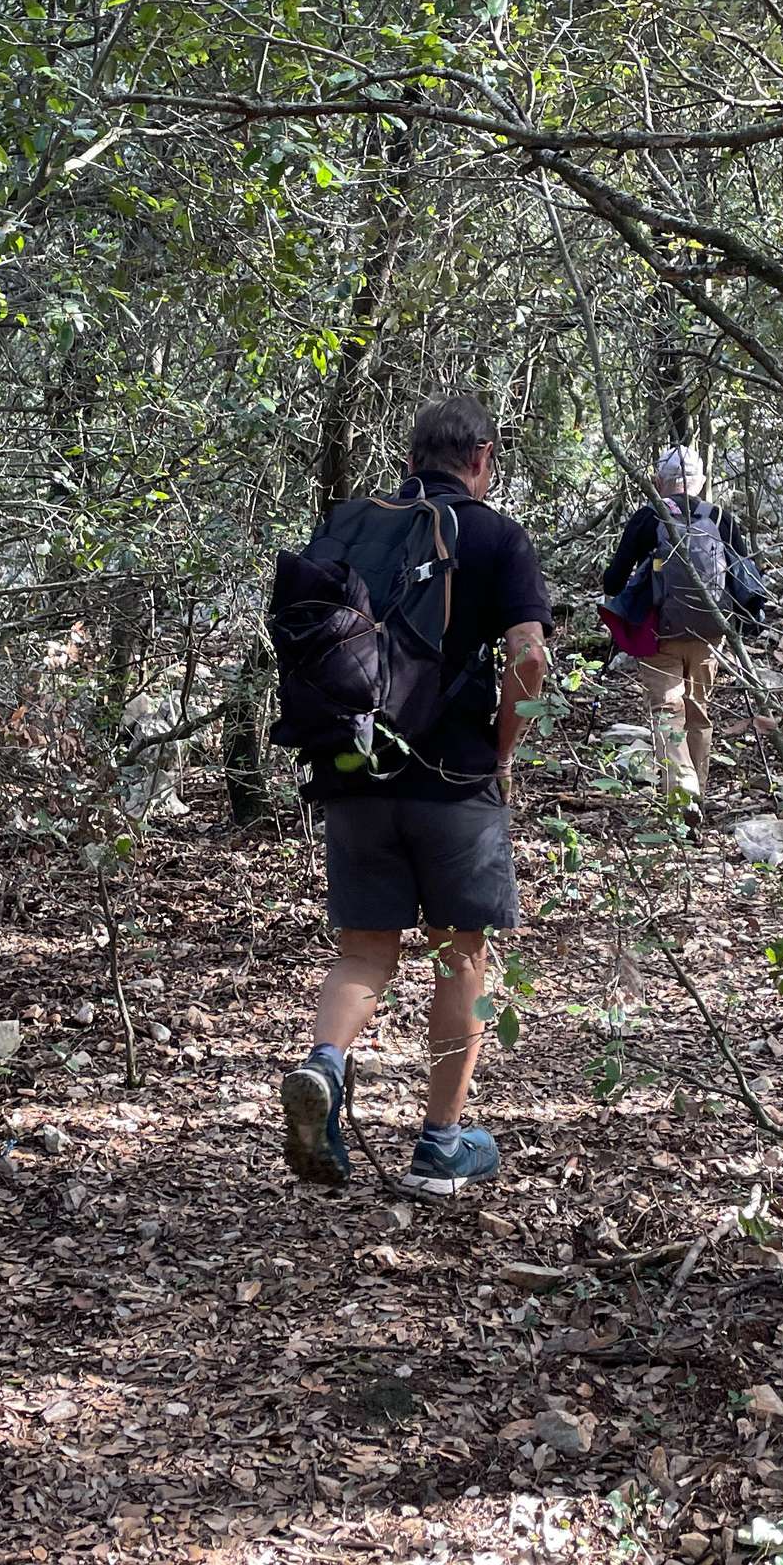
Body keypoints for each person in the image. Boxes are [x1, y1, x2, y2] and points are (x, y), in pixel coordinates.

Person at [279, 396, 551, 1198]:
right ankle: (440, 1144)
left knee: (364, 949)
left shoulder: (355, 525)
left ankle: (323, 1063)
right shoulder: (497, 536)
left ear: (410, 459)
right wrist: (502, 751)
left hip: (354, 768)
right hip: (454, 779)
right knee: (461, 953)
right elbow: (529, 656)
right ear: (482, 457)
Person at [602, 445, 758, 812]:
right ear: (700, 481)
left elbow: (613, 580)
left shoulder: (647, 518)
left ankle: (683, 794)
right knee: (697, 710)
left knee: (666, 711)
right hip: (710, 632)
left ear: (659, 481)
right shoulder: (720, 518)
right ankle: (695, 792)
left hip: (659, 633)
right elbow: (746, 577)